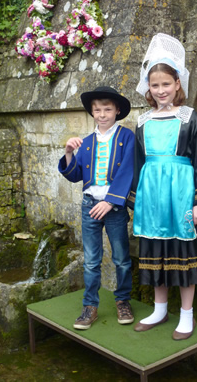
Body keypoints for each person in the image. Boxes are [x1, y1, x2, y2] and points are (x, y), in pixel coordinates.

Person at [127, 33, 197, 340]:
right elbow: (137, 163)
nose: (161, 90)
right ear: (148, 88)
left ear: (178, 83)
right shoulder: (142, 121)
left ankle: (186, 314)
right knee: (155, 250)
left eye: (166, 84)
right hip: (152, 199)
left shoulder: (192, 120)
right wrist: (135, 200)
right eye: (155, 85)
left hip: (181, 198)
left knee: (184, 252)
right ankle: (160, 308)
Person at [59, 86, 135, 330]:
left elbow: (128, 171)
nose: (102, 114)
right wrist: (69, 153)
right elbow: (75, 175)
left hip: (114, 207)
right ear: (92, 112)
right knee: (91, 261)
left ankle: (123, 301)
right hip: (89, 205)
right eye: (97, 110)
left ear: (117, 111)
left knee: (122, 259)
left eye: (107, 109)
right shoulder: (88, 142)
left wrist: (111, 200)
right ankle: (89, 306)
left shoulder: (127, 137)